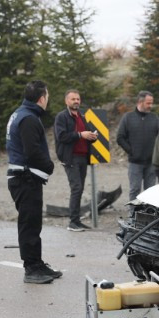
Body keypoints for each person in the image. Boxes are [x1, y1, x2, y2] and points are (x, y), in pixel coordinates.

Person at [6, 81, 62, 284]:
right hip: (24, 178)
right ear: (41, 98)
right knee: (29, 224)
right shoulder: (29, 118)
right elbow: (32, 151)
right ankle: (31, 268)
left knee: (33, 223)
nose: (48, 99)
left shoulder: (21, 114)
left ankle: (37, 263)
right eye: (47, 96)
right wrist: (49, 165)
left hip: (24, 177)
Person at [54, 90, 97, 232]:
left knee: (79, 189)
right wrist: (80, 135)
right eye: (73, 99)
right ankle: (72, 222)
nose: (76, 101)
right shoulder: (62, 117)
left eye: (78, 99)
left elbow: (86, 134)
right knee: (76, 188)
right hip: (70, 156)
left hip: (83, 157)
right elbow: (62, 136)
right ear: (66, 101)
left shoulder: (82, 116)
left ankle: (77, 221)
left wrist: (92, 136)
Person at [117, 91, 159, 202]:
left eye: (151, 103)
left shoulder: (154, 118)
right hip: (135, 163)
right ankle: (133, 217)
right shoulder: (128, 118)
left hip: (151, 163)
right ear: (140, 102)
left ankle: (150, 217)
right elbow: (120, 138)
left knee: (150, 192)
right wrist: (131, 151)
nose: (151, 105)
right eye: (148, 103)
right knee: (135, 190)